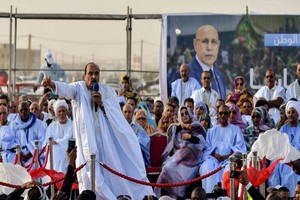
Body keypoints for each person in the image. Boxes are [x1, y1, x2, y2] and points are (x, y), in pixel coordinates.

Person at [41, 62, 154, 199]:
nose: (93, 77)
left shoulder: (108, 92)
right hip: (88, 145)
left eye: (96, 73)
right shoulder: (79, 89)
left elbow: (117, 116)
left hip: (107, 145)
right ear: (85, 75)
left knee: (112, 176)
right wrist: (52, 85)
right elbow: (66, 89)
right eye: (90, 73)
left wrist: (102, 104)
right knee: (90, 184)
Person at [154, 106, 207, 199]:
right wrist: (184, 125)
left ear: (190, 114)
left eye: (186, 113)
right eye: (182, 114)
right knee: (166, 169)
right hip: (179, 158)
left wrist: (190, 137)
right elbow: (172, 128)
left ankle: (178, 196)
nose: (184, 116)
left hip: (192, 160)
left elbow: (201, 142)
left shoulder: (196, 126)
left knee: (179, 175)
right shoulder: (178, 128)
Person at [199, 105, 246, 193]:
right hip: (213, 159)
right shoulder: (211, 131)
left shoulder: (235, 130)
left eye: (225, 113)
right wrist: (214, 154)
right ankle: (209, 196)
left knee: (229, 170)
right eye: (221, 113)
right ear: (218, 115)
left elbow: (240, 147)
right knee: (205, 167)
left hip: (229, 160)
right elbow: (207, 148)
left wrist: (228, 156)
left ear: (228, 115)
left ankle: (226, 197)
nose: (223, 115)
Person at [188, 25, 226, 100]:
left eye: (214, 42)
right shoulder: (185, 74)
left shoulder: (220, 77)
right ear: (195, 44)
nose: (209, 48)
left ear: (218, 45)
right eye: (204, 41)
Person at [9, 101, 47, 166]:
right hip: (18, 156)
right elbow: (11, 141)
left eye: (26, 109)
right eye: (21, 110)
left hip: (34, 156)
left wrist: (31, 152)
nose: (24, 112)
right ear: (18, 112)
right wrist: (19, 152)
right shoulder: (13, 125)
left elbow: (42, 141)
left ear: (29, 110)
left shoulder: (39, 124)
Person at [43, 99, 73, 173]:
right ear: (56, 113)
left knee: (59, 151)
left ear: (66, 111)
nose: (61, 113)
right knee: (55, 151)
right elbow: (47, 140)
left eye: (63, 111)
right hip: (54, 153)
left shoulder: (72, 124)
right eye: (59, 111)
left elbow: (69, 138)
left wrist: (57, 142)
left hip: (67, 151)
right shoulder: (52, 126)